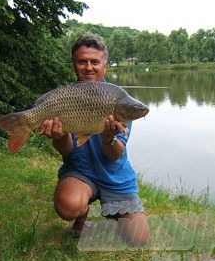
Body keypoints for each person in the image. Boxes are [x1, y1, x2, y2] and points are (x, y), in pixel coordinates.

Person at [39, 33, 150, 246]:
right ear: (75, 65)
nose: (88, 67)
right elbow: (67, 151)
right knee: (68, 206)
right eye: (82, 61)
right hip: (80, 172)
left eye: (94, 62)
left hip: (115, 177)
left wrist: (108, 138)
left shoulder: (119, 100)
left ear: (104, 65)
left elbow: (114, 154)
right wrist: (59, 136)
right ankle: (82, 212)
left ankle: (112, 210)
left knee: (139, 240)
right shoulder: (67, 97)